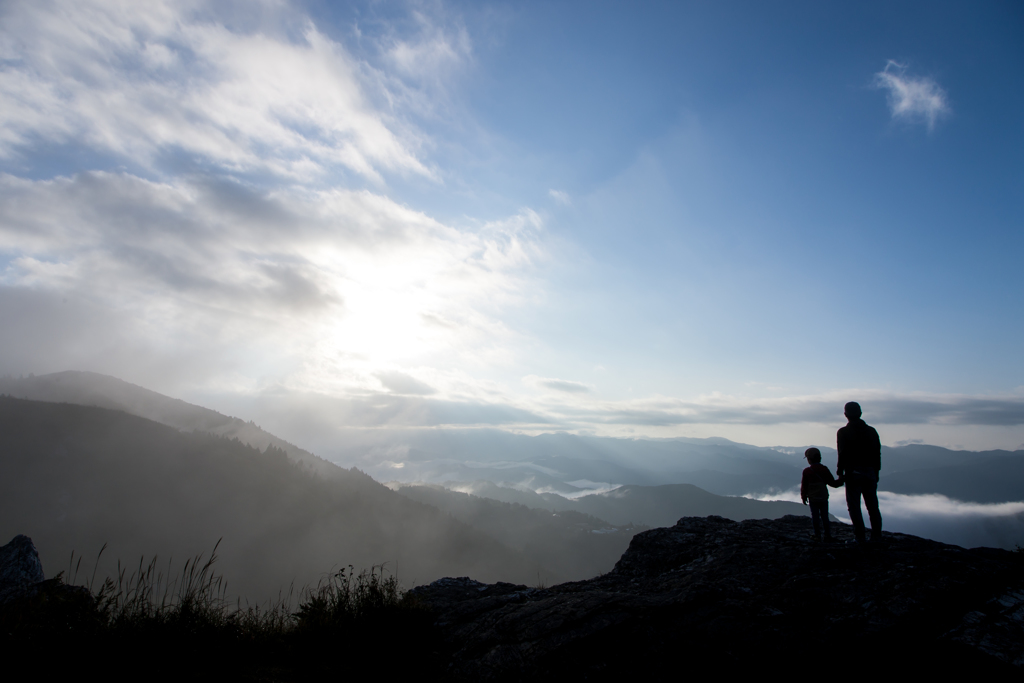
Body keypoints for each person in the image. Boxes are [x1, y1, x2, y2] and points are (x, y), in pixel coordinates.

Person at [836, 401, 882, 543]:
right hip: (870, 472)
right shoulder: (872, 431)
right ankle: (876, 537)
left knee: (854, 506)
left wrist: (840, 471)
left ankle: (860, 537)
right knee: (873, 506)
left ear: (845, 415)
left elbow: (842, 453)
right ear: (860, 413)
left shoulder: (843, 432)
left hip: (853, 473)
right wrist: (876, 472)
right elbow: (877, 454)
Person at [800, 447, 843, 542]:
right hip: (823, 497)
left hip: (813, 498)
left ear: (809, 459)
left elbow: (804, 485)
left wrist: (803, 496)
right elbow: (832, 483)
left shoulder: (806, 471)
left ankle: (817, 535)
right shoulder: (824, 469)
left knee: (815, 516)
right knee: (825, 517)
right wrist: (841, 479)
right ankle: (827, 535)